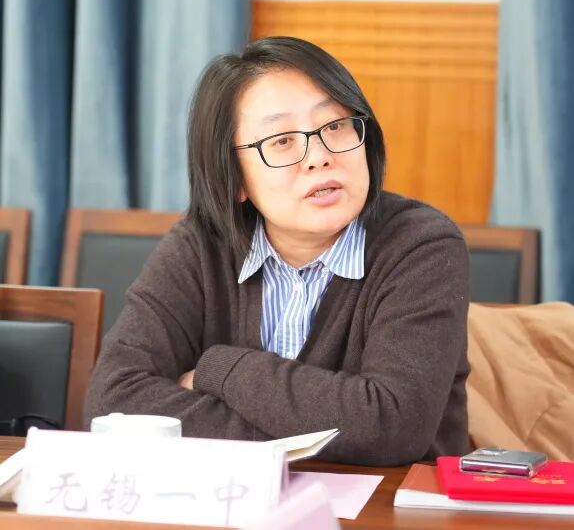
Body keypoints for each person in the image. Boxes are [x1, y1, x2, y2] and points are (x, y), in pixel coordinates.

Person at [84, 36, 470, 466]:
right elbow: (112, 401)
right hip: (233, 498)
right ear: (235, 179)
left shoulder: (421, 246)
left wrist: (221, 370)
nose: (319, 156)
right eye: (282, 140)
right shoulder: (201, 245)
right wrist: (320, 435)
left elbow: (391, 426)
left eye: (335, 126)